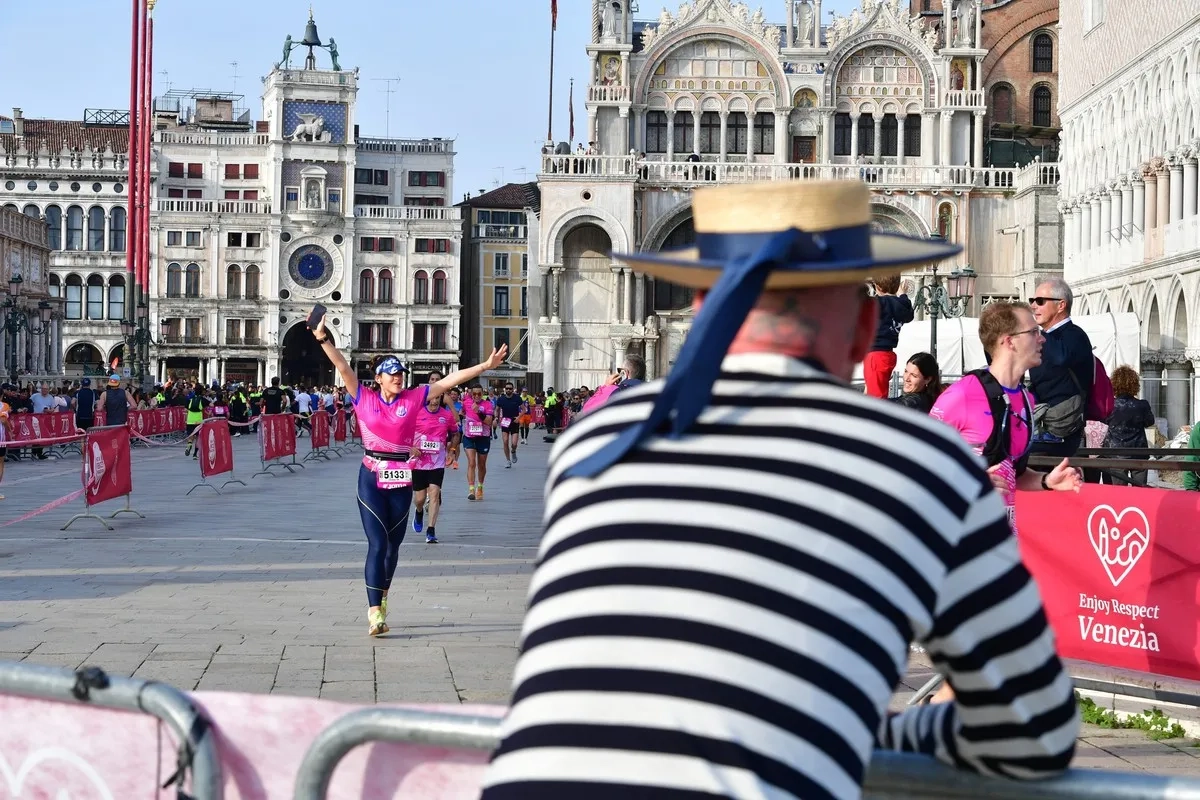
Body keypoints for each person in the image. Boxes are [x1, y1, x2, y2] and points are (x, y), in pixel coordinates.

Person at [480, 180, 1078, 799]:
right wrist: (855, 734)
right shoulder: (923, 465)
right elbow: (1033, 727)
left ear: (701, 304)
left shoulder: (600, 437)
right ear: (865, 326)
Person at [309, 310, 505, 635]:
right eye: (391, 373)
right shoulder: (363, 397)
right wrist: (322, 337)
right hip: (371, 475)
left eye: (401, 372)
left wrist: (485, 367)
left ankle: (383, 599)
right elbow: (342, 366)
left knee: (392, 547)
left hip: (402, 476)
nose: (398, 377)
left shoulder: (414, 398)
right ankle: (374, 614)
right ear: (379, 379)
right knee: (376, 543)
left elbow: (448, 382)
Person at [931, 301, 1083, 532]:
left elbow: (1012, 473)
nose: (1042, 338)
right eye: (1033, 332)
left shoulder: (1025, 399)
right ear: (1009, 341)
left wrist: (1046, 481)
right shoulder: (963, 394)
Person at [1028, 277, 1094, 457]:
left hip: (1064, 431)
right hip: (1041, 427)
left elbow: (1061, 358)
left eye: (1040, 301)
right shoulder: (1043, 338)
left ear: (1060, 305)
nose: (1034, 306)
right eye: (1032, 301)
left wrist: (1039, 333)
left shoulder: (1074, 335)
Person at [411, 389, 460, 544]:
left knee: (434, 494)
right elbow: (404, 432)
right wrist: (410, 447)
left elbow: (456, 434)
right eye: (433, 397)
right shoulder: (417, 413)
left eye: (438, 397)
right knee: (419, 499)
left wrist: (452, 451)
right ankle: (418, 512)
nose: (435, 400)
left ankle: (431, 530)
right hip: (419, 462)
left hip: (437, 462)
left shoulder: (446, 416)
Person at [1101, 365, 1155, 486]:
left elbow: (1103, 422)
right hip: (1138, 454)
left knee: (1119, 494)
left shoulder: (1110, 405)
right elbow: (1150, 422)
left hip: (1115, 454)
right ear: (1134, 385)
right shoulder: (1142, 405)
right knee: (1140, 492)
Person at [863, 274, 913, 398]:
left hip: (876, 354)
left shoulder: (879, 303)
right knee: (875, 391)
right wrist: (902, 295)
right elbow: (909, 312)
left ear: (877, 287)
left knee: (876, 398)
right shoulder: (902, 306)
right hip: (886, 354)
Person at [581, 353, 647, 415]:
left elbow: (587, 411)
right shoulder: (653, 390)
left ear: (625, 372)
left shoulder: (614, 390)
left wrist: (606, 387)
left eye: (619, 370)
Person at [462, 384, 494, 500]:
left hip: (483, 437)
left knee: (481, 464)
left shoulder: (488, 404)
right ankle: (471, 489)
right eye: (474, 394)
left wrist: (479, 412)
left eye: (479, 394)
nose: (476, 396)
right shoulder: (466, 402)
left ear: (483, 393)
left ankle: (480, 486)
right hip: (469, 437)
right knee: (471, 462)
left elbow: (489, 422)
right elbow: (462, 412)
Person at [494, 382, 523, 468]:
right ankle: (508, 460)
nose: (508, 390)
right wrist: (496, 418)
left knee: (514, 443)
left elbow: (524, 409)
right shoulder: (501, 399)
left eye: (510, 388)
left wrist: (518, 417)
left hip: (514, 421)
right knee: (505, 441)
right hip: (505, 421)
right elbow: (497, 409)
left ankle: (513, 451)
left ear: (513, 389)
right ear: (505, 389)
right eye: (507, 388)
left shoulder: (517, 398)